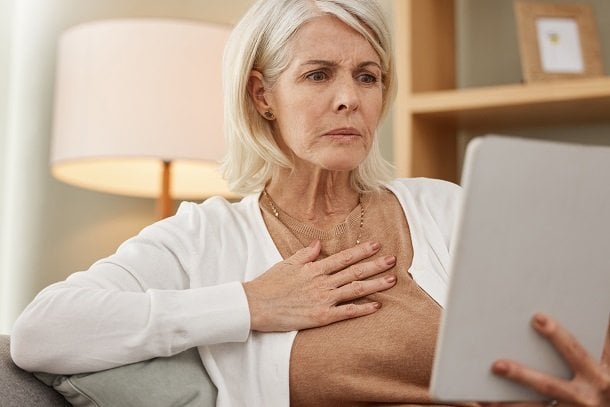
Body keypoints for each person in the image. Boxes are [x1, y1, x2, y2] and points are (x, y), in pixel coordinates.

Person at [10, 0, 610, 406]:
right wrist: (249, 304)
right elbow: (43, 331)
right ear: (262, 94)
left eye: (368, 76)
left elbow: (542, 355)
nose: (349, 98)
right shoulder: (206, 235)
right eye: (319, 75)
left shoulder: (443, 209)